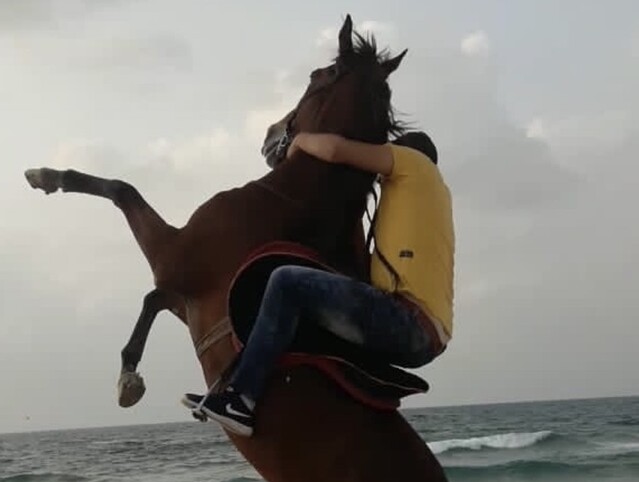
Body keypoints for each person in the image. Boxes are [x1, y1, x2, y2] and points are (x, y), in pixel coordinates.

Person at [182, 130, 454, 436]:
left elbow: (336, 149)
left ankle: (241, 400)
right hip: (419, 334)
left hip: (408, 323)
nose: (379, 175)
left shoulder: (415, 163)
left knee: (286, 282)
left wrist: (298, 141)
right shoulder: (427, 199)